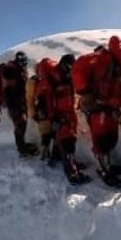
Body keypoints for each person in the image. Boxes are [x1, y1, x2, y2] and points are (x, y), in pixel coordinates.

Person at [74, 37, 121, 187]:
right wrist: (85, 92)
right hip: (97, 106)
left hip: (110, 107)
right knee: (101, 139)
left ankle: (108, 165)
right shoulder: (100, 59)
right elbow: (78, 66)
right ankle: (103, 169)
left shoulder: (120, 65)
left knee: (110, 138)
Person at [34, 54, 90, 185]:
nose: (70, 70)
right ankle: (72, 174)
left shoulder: (66, 77)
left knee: (70, 138)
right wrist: (53, 118)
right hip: (59, 115)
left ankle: (61, 158)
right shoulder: (52, 79)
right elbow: (46, 100)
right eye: (69, 67)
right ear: (63, 64)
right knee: (67, 141)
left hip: (69, 112)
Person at [0, 51, 38, 158]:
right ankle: (22, 150)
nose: (24, 62)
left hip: (21, 101)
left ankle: (22, 146)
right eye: (22, 60)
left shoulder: (21, 69)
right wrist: (13, 103)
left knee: (22, 124)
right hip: (15, 102)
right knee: (20, 124)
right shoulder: (10, 70)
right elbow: (8, 88)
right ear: (18, 59)